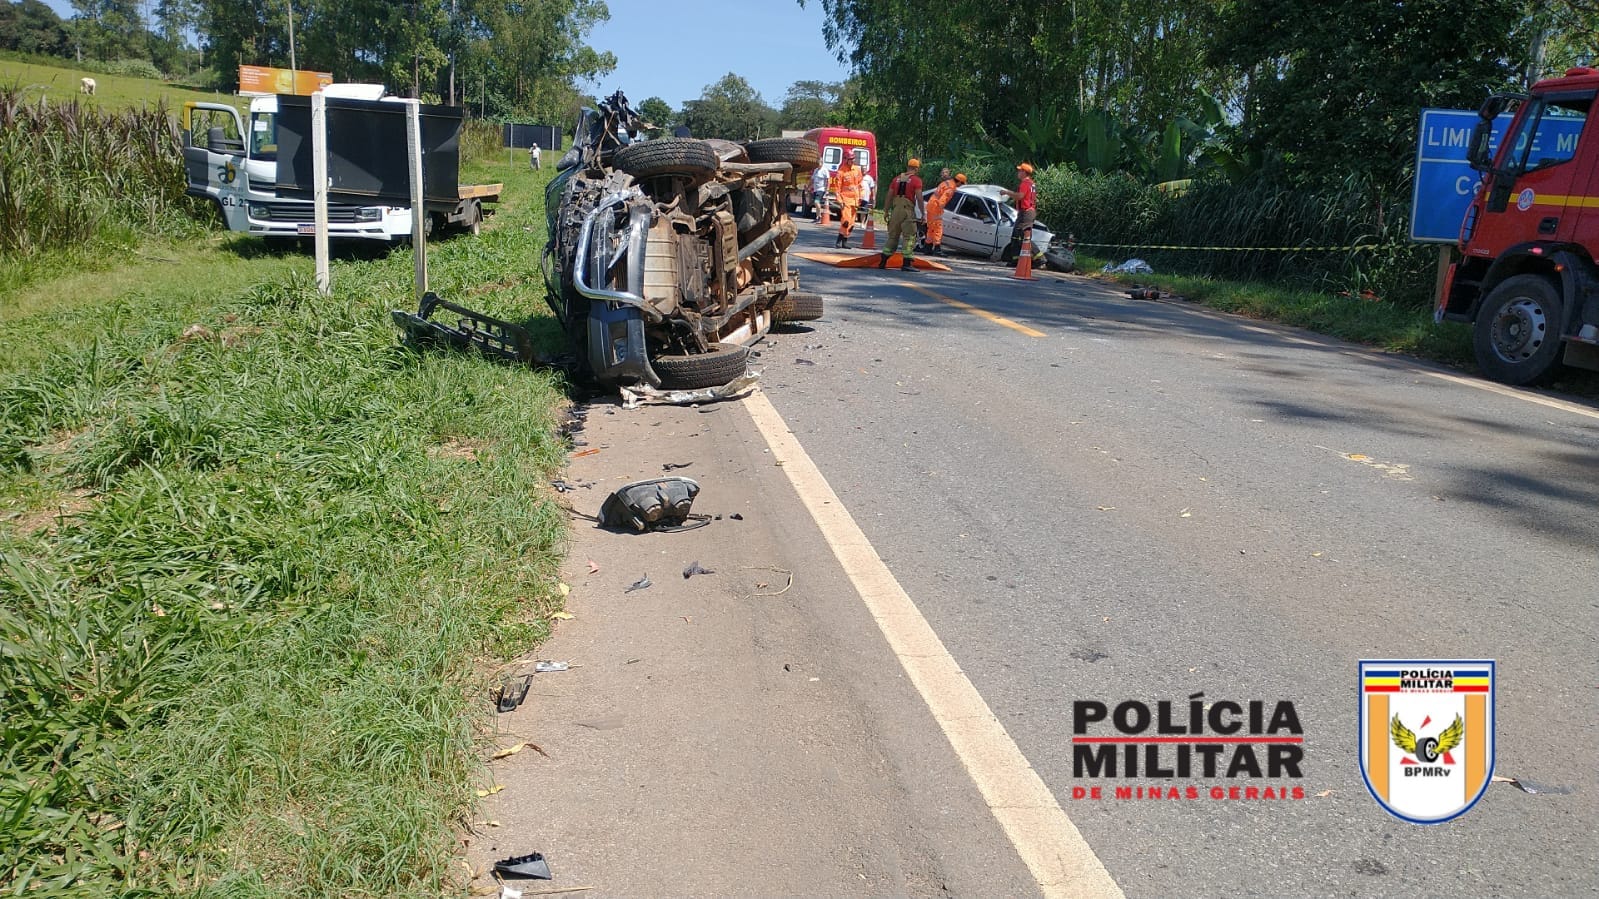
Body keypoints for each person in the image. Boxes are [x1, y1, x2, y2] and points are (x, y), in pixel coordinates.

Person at [877, 158, 924, 272]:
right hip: (907, 211)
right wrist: (923, 213)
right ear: (916, 169)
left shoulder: (896, 179)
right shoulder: (916, 180)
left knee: (893, 236)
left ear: (907, 166)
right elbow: (919, 197)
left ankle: (883, 262)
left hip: (895, 210)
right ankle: (906, 263)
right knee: (909, 237)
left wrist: (886, 211)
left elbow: (889, 196)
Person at [1000, 162, 1037, 265]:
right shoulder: (1031, 183)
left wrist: (1007, 192)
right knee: (1017, 236)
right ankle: (1015, 260)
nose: (1018, 172)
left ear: (1024, 172)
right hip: (1026, 212)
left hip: (1026, 213)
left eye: (1020, 170)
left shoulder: (1025, 184)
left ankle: (1039, 258)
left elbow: (1020, 196)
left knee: (1023, 236)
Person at [922, 169, 963, 256]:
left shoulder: (946, 183)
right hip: (936, 208)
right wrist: (940, 210)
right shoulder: (951, 187)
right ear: (958, 182)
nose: (961, 185)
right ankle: (937, 249)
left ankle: (928, 248)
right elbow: (942, 200)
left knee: (931, 228)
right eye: (961, 183)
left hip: (931, 205)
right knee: (938, 229)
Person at [830, 155, 864, 248]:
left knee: (852, 223)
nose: (852, 161)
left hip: (855, 200)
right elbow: (837, 188)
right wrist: (840, 200)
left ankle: (844, 242)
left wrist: (861, 197)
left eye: (853, 159)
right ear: (846, 160)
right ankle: (838, 240)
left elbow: (860, 184)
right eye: (850, 159)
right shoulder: (841, 172)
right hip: (845, 199)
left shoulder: (857, 170)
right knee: (846, 220)